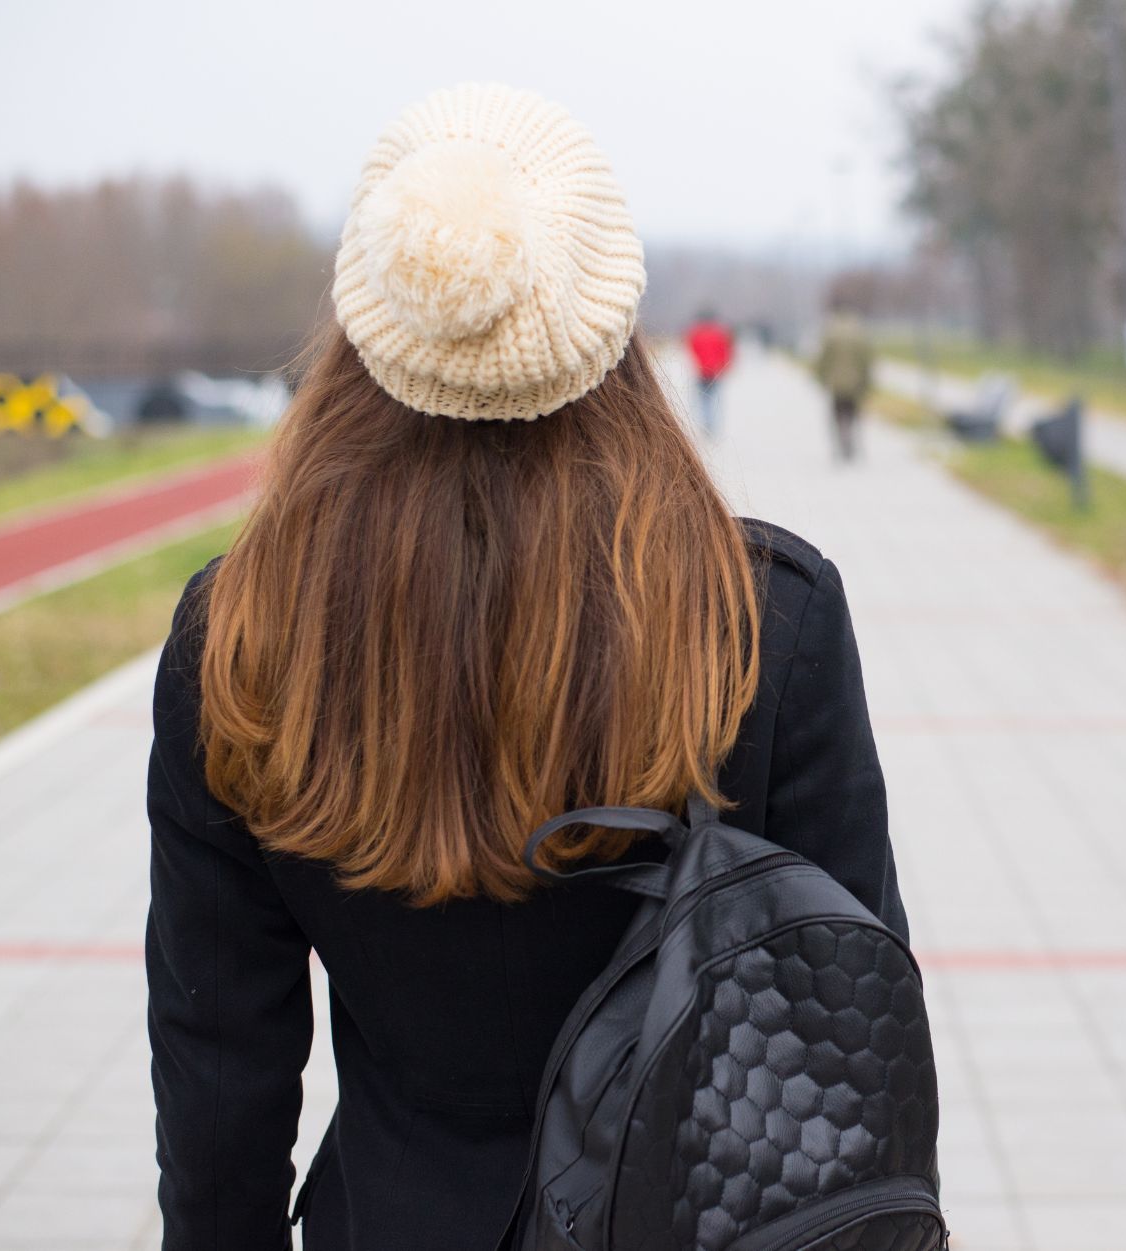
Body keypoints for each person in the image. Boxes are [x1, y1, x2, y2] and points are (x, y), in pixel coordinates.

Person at [145, 84, 904, 1251]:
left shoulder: (244, 639)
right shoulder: (755, 620)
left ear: (362, 322)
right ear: (609, 319)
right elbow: (855, 1030)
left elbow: (218, 1078)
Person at [815, 306, 874, 462]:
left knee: (838, 411)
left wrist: (821, 376)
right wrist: (867, 378)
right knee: (852, 410)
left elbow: (823, 357)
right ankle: (849, 433)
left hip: (836, 381)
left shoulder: (831, 332)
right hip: (855, 380)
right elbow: (866, 357)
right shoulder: (858, 332)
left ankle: (842, 433)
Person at [683, 308, 734, 437]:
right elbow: (726, 352)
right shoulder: (720, 334)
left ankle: (706, 423)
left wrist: (698, 363)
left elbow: (691, 349)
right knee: (715, 399)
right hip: (716, 372)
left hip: (701, 372)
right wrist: (724, 367)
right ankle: (712, 424)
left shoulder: (696, 334)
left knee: (703, 399)